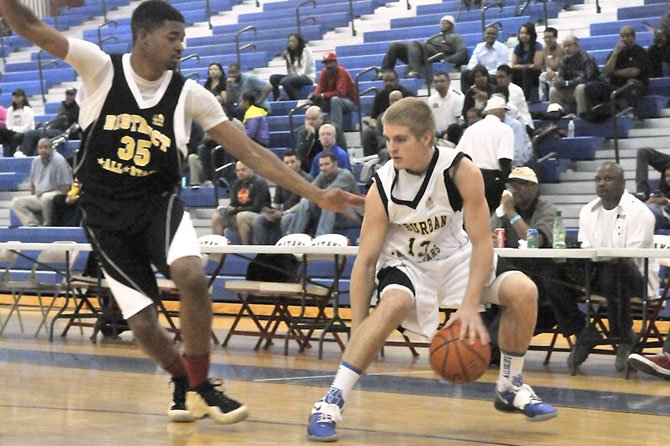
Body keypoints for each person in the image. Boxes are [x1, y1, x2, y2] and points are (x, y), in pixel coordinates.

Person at [0, 0, 363, 425]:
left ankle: (205, 386)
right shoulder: (100, 67)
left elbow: (249, 150)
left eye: (182, 37)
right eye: (173, 37)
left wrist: (316, 195)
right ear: (143, 37)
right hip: (104, 213)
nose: (181, 45)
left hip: (159, 203)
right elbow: (27, 24)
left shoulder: (190, 94)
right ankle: (182, 379)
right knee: (143, 326)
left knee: (191, 275)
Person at [306, 97, 556, 442]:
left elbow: (483, 242)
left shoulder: (461, 171)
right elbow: (365, 263)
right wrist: (357, 327)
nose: (390, 148)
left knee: (524, 291)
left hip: (455, 257)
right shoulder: (382, 185)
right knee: (393, 304)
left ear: (426, 138)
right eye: (388, 139)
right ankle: (330, 402)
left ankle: (510, 385)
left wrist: (469, 306)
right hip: (405, 263)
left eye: (400, 139)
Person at [565, 162, 658, 371]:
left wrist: (600, 258)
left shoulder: (640, 212)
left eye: (608, 179)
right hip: (599, 273)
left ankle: (624, 336)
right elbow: (586, 249)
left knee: (614, 268)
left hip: (637, 280)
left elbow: (629, 257)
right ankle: (583, 331)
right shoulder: (587, 211)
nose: (602, 184)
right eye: (598, 179)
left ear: (622, 182)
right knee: (552, 274)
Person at [487, 167, 559, 360]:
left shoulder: (548, 210)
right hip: (508, 272)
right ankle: (484, 343)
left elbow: (534, 241)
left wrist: (510, 212)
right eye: (511, 185)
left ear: (534, 187)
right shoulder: (504, 210)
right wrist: (490, 235)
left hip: (539, 277)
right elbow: (486, 235)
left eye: (520, 185)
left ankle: (493, 347)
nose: (514, 190)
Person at [457, 95, 514, 214]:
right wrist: (508, 185)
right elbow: (504, 160)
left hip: (471, 178)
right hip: (493, 179)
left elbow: (459, 155)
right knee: (498, 218)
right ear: (500, 110)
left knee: (475, 217)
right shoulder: (505, 129)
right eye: (504, 111)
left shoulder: (471, 129)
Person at [583, 26, 650, 123]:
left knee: (631, 83)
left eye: (627, 36)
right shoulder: (615, 53)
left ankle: (632, 114)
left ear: (634, 37)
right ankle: (600, 112)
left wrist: (615, 72)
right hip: (616, 86)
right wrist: (615, 54)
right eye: (622, 36)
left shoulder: (640, 52)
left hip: (636, 85)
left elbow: (634, 72)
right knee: (591, 86)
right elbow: (605, 72)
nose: (624, 39)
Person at [286, 153, 361, 237]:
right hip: (332, 214)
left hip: (352, 215)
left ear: (335, 164)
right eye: (321, 165)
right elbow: (309, 194)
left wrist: (314, 196)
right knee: (304, 201)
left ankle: (321, 238)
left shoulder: (345, 175)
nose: (323, 168)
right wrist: (286, 212)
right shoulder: (322, 175)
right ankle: (293, 237)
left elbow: (329, 195)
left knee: (329, 202)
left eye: (326, 164)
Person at [252, 151, 312, 245]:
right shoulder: (281, 179)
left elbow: (303, 203)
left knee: (286, 219)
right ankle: (261, 253)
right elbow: (276, 203)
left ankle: (287, 252)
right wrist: (271, 211)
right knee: (259, 219)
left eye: (292, 162)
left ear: (299, 162)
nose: (289, 165)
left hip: (299, 215)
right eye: (286, 163)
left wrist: (283, 213)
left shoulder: (307, 179)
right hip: (283, 213)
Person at [11, 137, 72, 226]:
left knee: (46, 197)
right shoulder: (35, 161)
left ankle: (48, 225)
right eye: (40, 147)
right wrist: (33, 197)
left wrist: (62, 202)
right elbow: (33, 186)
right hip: (40, 196)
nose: (43, 150)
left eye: (46, 147)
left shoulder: (59, 161)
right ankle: (33, 226)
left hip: (56, 196)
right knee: (17, 202)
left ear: (51, 148)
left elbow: (65, 188)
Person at [381, 15, 467, 78]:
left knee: (414, 43)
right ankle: (385, 72)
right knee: (395, 45)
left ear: (452, 25)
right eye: (442, 23)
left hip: (436, 55)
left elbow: (462, 53)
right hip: (420, 54)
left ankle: (415, 71)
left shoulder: (456, 37)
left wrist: (445, 60)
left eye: (446, 23)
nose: (443, 25)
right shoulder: (436, 36)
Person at [211, 161, 271, 244]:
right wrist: (227, 209)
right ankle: (220, 248)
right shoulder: (236, 184)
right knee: (217, 217)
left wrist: (235, 210)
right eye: (238, 171)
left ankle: (245, 249)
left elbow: (257, 207)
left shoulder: (259, 182)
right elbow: (233, 204)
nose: (240, 173)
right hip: (240, 214)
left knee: (241, 216)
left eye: (243, 170)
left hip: (260, 215)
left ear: (251, 169)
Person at [362, 70, 414, 156]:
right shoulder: (380, 95)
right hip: (383, 128)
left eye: (391, 80)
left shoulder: (408, 94)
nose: (389, 83)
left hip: (405, 126)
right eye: (386, 81)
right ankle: (370, 161)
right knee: (367, 133)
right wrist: (379, 125)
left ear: (397, 80)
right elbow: (373, 118)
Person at [17, 87, 80, 157]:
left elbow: (73, 127)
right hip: (52, 129)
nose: (68, 96)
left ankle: (35, 157)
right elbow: (56, 121)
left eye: (71, 94)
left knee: (44, 135)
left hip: (62, 133)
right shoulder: (63, 106)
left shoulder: (76, 110)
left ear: (74, 96)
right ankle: (23, 155)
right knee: (31, 133)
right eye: (67, 94)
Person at [548, 35, 599, 116]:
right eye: (565, 46)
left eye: (569, 45)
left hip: (589, 91)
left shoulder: (586, 57)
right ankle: (557, 117)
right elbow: (561, 77)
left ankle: (582, 116)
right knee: (553, 90)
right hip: (570, 90)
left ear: (577, 46)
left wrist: (567, 83)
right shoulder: (564, 60)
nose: (567, 49)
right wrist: (557, 81)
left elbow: (587, 78)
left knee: (580, 87)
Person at [308, 52, 358, 128]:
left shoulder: (341, 71)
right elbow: (319, 89)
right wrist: (314, 96)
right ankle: (315, 130)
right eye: (326, 63)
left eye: (330, 63)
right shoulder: (324, 72)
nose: (328, 66)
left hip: (350, 101)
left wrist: (322, 95)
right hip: (331, 100)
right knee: (312, 102)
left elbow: (341, 93)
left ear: (336, 63)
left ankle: (336, 129)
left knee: (335, 100)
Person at [296, 105, 347, 172]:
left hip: (331, 164)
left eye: (313, 119)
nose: (310, 122)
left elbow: (342, 150)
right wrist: (310, 136)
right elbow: (300, 155)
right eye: (308, 119)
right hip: (312, 165)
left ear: (321, 118)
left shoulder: (333, 128)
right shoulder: (304, 132)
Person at [461, 26, 509, 91]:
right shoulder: (479, 46)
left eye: (493, 34)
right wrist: (477, 73)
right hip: (478, 72)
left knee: (491, 78)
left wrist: (484, 74)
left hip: (493, 75)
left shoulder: (503, 48)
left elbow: (500, 68)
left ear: (497, 36)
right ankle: (467, 96)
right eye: (488, 33)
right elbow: (472, 63)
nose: (490, 36)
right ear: (484, 35)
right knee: (465, 73)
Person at [269, 33, 315, 101]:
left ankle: (293, 100)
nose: (291, 43)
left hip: (307, 77)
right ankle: (277, 98)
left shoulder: (306, 50)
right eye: (289, 41)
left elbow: (304, 70)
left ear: (299, 42)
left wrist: (292, 77)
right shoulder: (290, 53)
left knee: (285, 81)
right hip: (295, 77)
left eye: (293, 41)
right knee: (273, 78)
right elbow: (291, 72)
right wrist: (287, 59)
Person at [363, 89, 404, 157]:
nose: (394, 103)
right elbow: (381, 139)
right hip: (386, 149)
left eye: (397, 100)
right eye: (392, 100)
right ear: (389, 102)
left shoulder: (409, 117)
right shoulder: (382, 118)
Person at [510, 22, 543, 100]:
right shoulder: (518, 47)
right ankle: (512, 96)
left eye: (526, 33)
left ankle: (525, 97)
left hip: (534, 74)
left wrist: (524, 67)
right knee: (511, 71)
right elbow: (513, 65)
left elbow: (536, 65)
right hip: (522, 72)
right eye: (522, 33)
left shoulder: (537, 46)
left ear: (532, 34)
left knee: (527, 71)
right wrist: (525, 66)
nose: (523, 35)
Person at [426, 71, 464, 138]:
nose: (439, 84)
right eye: (436, 82)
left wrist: (442, 132)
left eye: (442, 81)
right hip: (436, 136)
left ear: (449, 82)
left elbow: (459, 123)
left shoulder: (458, 97)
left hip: (453, 135)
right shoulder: (431, 99)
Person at [495, 65, 533, 130]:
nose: (499, 80)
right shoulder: (497, 90)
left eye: (502, 77)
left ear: (509, 77)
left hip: (524, 124)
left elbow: (508, 110)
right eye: (497, 77)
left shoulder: (515, 90)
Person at [0, 88, 35, 157]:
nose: (16, 98)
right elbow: (8, 124)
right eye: (14, 96)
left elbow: (27, 126)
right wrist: (13, 129)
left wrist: (15, 130)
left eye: (18, 96)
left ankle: (11, 155)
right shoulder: (10, 110)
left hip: (25, 132)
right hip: (12, 131)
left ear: (23, 97)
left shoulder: (28, 110)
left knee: (16, 137)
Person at [539, 27, 564, 102]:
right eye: (545, 38)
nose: (547, 40)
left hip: (561, 73)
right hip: (549, 73)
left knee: (553, 77)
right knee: (542, 76)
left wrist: (549, 69)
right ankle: (542, 100)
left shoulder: (561, 48)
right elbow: (542, 66)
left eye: (550, 37)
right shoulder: (544, 49)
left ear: (556, 37)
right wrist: (547, 69)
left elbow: (555, 65)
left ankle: (553, 100)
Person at [643, 163, 670, 230]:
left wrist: (667, 201)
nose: (669, 179)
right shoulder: (665, 191)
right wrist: (650, 201)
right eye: (667, 176)